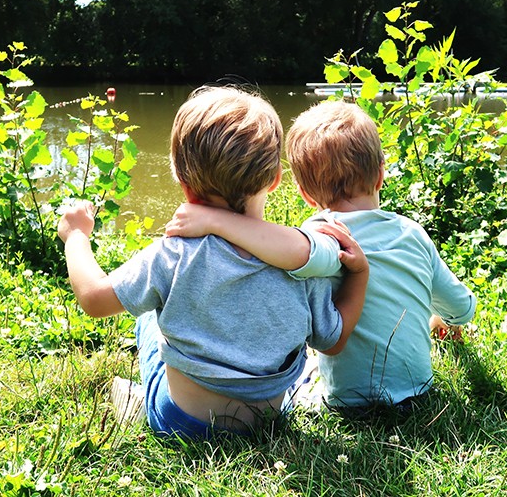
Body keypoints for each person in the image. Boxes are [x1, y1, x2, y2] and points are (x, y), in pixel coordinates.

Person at [57, 86, 369, 439]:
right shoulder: (302, 260)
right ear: (275, 180)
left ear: (184, 184)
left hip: (182, 424)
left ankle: (139, 404)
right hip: (267, 424)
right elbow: (334, 341)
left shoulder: (173, 254)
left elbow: (94, 299)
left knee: (147, 317)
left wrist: (77, 236)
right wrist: (359, 275)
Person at [165, 99, 476, 411]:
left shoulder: (319, 235)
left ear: (304, 193)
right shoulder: (413, 234)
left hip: (345, 399)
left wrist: (216, 221)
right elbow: (462, 308)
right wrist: (440, 319)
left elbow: (281, 250)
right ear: (381, 175)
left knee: (303, 373)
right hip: (416, 391)